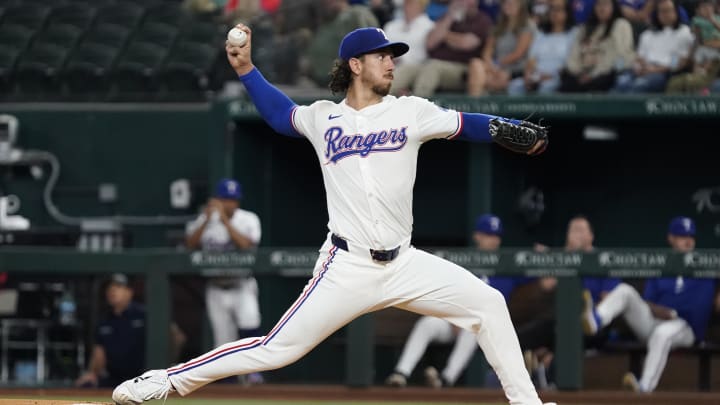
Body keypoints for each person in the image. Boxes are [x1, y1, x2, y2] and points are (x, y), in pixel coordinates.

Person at [112, 25, 552, 405]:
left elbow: (464, 123)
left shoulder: (410, 111)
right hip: (348, 265)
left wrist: (497, 128)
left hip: (405, 261)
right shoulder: (324, 119)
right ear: (355, 65)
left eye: (392, 56)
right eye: (382, 56)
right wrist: (246, 70)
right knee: (276, 348)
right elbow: (279, 115)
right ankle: (166, 381)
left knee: (489, 304)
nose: (392, 63)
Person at [581, 216, 718, 393]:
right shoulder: (662, 265)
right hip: (655, 321)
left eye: (690, 237)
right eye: (682, 236)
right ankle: (596, 320)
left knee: (662, 334)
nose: (688, 241)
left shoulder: (706, 265)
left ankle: (644, 387)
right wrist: (658, 310)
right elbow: (647, 301)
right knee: (625, 290)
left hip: (686, 327)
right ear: (671, 239)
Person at [384, 214, 504, 388]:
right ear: (477, 236)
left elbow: (547, 283)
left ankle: (446, 380)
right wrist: (453, 317)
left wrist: (548, 256)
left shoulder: (508, 262)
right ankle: (401, 373)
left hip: (482, 325)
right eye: (488, 235)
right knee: (427, 324)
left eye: (496, 236)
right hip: (453, 318)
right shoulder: (463, 260)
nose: (493, 240)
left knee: (474, 329)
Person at [185, 178, 264, 385]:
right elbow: (190, 245)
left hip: (242, 284)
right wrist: (206, 219)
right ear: (217, 199)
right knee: (222, 341)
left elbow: (247, 245)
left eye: (233, 200)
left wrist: (225, 221)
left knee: (250, 325)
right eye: (225, 199)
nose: (229, 203)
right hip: (216, 286)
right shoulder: (205, 220)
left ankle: (253, 374)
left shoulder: (249, 219)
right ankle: (229, 386)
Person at [75, 274, 186, 388]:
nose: (112, 291)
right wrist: (92, 373)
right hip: (114, 379)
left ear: (129, 292)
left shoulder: (144, 315)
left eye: (118, 287)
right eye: (109, 288)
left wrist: (167, 367)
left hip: (144, 378)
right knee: (86, 384)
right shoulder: (104, 321)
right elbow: (99, 354)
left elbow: (177, 337)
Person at [390, 0, 493, 97]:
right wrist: (449, 17)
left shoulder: (481, 20)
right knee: (406, 69)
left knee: (433, 67)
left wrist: (444, 34)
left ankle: (419, 105)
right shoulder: (446, 18)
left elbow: (466, 43)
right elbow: (430, 43)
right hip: (429, 63)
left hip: (462, 68)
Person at [612, 0, 694, 93]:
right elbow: (640, 57)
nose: (665, 14)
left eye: (668, 11)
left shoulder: (684, 32)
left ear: (676, 12)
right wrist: (639, 67)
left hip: (663, 73)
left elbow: (680, 62)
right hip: (644, 70)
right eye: (661, 11)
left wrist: (656, 69)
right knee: (622, 82)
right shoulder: (648, 34)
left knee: (639, 86)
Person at [559, 0, 635, 92]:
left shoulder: (620, 25)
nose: (601, 8)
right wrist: (578, 73)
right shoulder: (585, 28)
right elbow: (574, 54)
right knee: (566, 78)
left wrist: (592, 75)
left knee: (603, 80)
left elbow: (619, 55)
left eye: (605, 4)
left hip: (606, 72)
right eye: (598, 4)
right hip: (582, 72)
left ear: (614, 7)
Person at [466, 0, 536, 96]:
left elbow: (518, 53)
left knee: (480, 79)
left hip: (515, 69)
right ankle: (477, 104)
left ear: (521, 6)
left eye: (512, 3)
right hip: (495, 67)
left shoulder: (527, 25)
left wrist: (498, 64)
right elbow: (487, 51)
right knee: (476, 64)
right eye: (505, 3)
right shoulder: (498, 26)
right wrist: (492, 66)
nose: (508, 6)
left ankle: (474, 105)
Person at [507, 0, 577, 95]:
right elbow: (532, 60)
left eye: (558, 9)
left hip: (559, 77)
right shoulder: (541, 34)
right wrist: (529, 75)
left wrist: (551, 76)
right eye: (551, 9)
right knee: (515, 86)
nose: (554, 13)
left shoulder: (574, 33)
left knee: (546, 87)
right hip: (537, 75)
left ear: (567, 12)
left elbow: (572, 62)